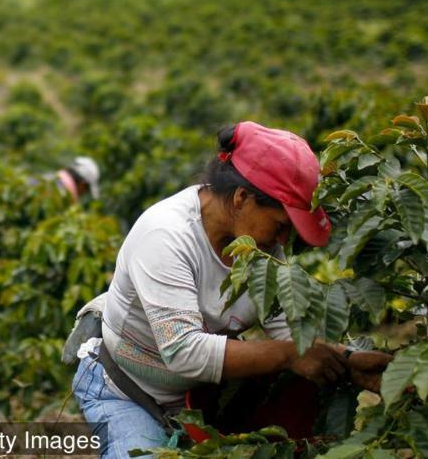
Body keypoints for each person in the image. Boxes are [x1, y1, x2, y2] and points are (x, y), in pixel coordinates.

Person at [66, 122, 393, 459]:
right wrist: (290, 354)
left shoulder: (259, 248)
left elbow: (285, 328)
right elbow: (184, 351)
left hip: (203, 400)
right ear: (241, 199)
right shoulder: (166, 236)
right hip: (126, 391)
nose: (283, 241)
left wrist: (349, 360)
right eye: (280, 225)